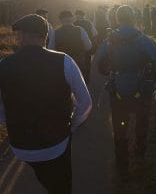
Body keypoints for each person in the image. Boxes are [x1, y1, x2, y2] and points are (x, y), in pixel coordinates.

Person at [0, 14, 92, 193]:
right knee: (62, 183)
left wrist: (11, 123)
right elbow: (85, 102)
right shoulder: (64, 60)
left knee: (45, 175)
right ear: (45, 36)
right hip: (57, 142)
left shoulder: (3, 65)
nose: (18, 37)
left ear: (25, 36)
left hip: (21, 146)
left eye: (20, 34)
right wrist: (72, 124)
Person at [97, 5, 156, 180]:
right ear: (133, 18)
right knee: (142, 121)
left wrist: (109, 71)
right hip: (142, 90)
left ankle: (122, 164)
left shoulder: (109, 39)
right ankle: (140, 152)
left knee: (119, 127)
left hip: (117, 90)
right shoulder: (143, 39)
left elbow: (100, 65)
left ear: (117, 19)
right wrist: (155, 78)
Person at [55, 10, 92, 75]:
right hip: (78, 61)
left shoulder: (56, 32)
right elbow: (88, 46)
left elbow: (51, 48)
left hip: (62, 61)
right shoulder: (80, 30)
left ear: (60, 20)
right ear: (72, 18)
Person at [74, 10, 98, 83]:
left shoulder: (74, 24)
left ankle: (79, 79)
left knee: (78, 63)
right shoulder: (89, 23)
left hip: (78, 47)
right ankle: (87, 79)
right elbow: (95, 33)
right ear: (83, 15)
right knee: (87, 63)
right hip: (88, 46)